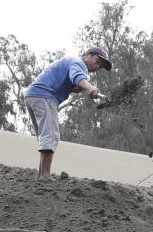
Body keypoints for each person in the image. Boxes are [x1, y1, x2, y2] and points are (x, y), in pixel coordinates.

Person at [23, 47, 112, 179]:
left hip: (32, 96)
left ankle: (41, 174)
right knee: (51, 135)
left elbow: (73, 86)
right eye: (97, 61)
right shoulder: (79, 63)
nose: (97, 66)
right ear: (87, 54)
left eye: (100, 66)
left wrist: (86, 90)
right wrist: (89, 87)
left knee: (45, 136)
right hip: (44, 96)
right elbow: (78, 77)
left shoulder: (71, 62)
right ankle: (45, 175)